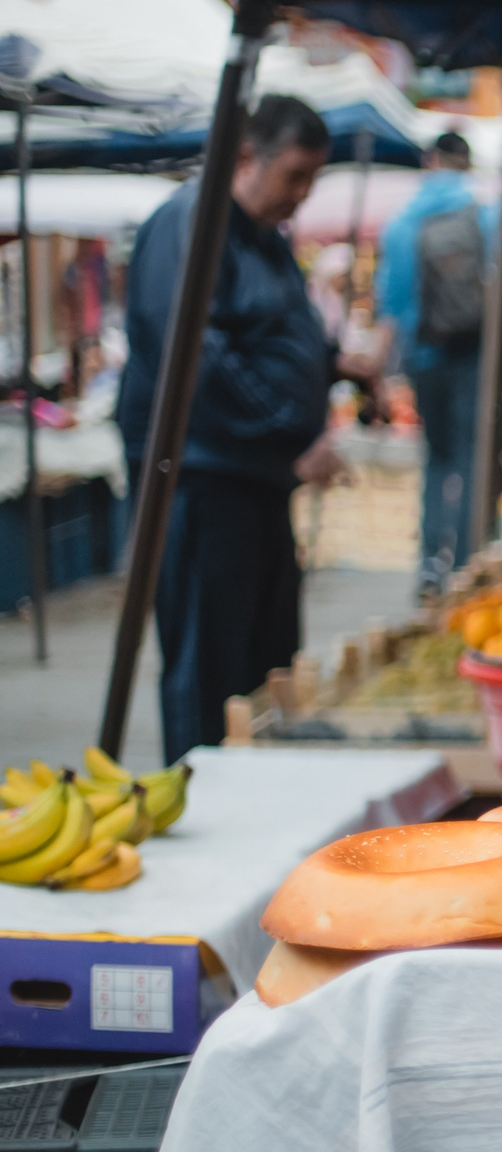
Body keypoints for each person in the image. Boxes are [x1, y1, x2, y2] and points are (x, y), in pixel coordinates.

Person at [119, 94, 335, 765]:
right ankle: (198, 795)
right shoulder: (189, 225)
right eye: (294, 176)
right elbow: (199, 360)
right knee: (208, 671)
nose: (300, 196)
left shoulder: (267, 239)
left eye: (311, 180)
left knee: (265, 664)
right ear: (246, 157)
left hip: (258, 483)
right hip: (202, 482)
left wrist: (331, 365)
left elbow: (276, 334)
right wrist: (287, 431)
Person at [376, 130, 489, 592]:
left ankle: (428, 561)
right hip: (474, 352)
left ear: (431, 159)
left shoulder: (403, 220)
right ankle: (464, 560)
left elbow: (391, 304)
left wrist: (383, 371)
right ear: (467, 162)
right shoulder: (484, 214)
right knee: (470, 456)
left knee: (436, 457)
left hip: (425, 354)